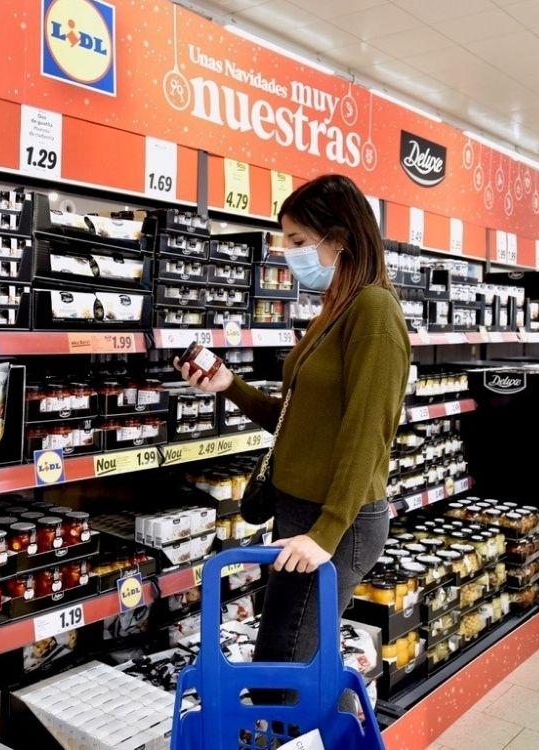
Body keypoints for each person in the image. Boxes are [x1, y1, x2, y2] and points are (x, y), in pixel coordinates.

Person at [175, 174, 410, 676]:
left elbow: (366, 435)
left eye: (299, 242)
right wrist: (229, 386)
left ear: (341, 238)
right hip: (301, 514)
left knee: (282, 673)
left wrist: (325, 534)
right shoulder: (336, 309)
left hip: (336, 524)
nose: (288, 254)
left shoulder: (374, 311)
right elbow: (296, 419)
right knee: (292, 664)